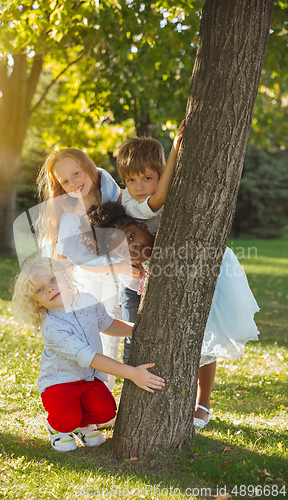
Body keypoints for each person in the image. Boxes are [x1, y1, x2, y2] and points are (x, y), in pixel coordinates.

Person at [80, 202, 260, 429]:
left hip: (213, 277)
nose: (133, 246)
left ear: (143, 227)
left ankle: (203, 404)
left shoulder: (172, 235)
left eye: (132, 235)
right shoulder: (133, 270)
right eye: (124, 250)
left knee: (206, 338)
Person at [12, 256, 165, 452]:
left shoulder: (87, 300)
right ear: (37, 303)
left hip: (87, 378)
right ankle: (58, 428)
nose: (50, 288)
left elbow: (108, 324)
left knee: (105, 412)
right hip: (60, 382)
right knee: (67, 419)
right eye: (39, 289)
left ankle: (84, 425)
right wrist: (132, 373)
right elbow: (91, 358)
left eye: (53, 279)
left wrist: (137, 330)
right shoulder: (53, 328)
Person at [36, 148, 141, 391]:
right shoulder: (69, 212)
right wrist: (120, 266)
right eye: (65, 181)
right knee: (94, 331)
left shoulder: (107, 185)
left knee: (118, 326)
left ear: (89, 168)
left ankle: (116, 389)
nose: (73, 182)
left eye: (76, 173)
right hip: (86, 274)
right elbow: (77, 260)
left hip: (116, 270)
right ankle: (96, 390)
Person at [115, 121, 185, 364]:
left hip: (157, 279)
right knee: (133, 333)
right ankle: (129, 374)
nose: (139, 186)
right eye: (131, 180)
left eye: (146, 177)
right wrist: (175, 149)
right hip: (132, 284)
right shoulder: (130, 203)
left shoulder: (172, 197)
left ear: (160, 174)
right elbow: (160, 197)